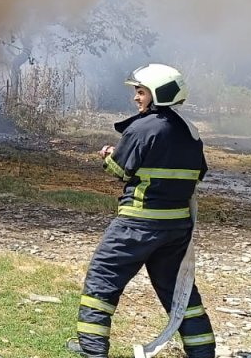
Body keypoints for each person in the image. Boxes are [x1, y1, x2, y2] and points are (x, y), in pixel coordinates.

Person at [68, 64, 215, 358]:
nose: (136, 98)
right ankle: (203, 352)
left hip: (137, 223)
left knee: (102, 279)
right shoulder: (191, 133)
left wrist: (108, 156)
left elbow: (121, 171)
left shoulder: (143, 127)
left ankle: (92, 350)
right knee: (179, 292)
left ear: (157, 93)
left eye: (140, 91)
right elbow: (197, 175)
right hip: (176, 230)